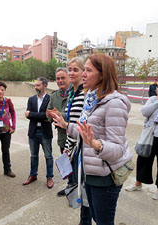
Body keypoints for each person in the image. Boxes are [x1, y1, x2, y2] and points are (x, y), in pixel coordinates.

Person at [54, 53, 133, 225]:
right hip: (89, 172)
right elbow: (86, 131)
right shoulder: (91, 99)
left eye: (88, 70)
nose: (83, 74)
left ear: (102, 74)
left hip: (104, 177)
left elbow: (118, 148)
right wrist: (66, 125)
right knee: (94, 216)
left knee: (102, 220)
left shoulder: (114, 103)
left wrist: (96, 144)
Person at [51, 58, 92, 224]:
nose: (71, 72)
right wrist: (67, 148)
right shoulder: (72, 94)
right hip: (73, 147)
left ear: (83, 72)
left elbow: (83, 125)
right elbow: (70, 124)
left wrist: (65, 124)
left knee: (85, 193)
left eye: (76, 69)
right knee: (79, 191)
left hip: (84, 150)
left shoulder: (86, 94)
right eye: (70, 69)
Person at [23, 77, 54, 189]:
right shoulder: (31, 99)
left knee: (48, 156)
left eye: (38, 85)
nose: (36, 87)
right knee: (33, 156)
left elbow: (48, 116)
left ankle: (49, 177)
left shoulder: (50, 99)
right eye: (35, 85)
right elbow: (27, 115)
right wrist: (41, 116)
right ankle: (33, 175)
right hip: (33, 132)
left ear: (45, 86)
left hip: (45, 132)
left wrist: (32, 114)